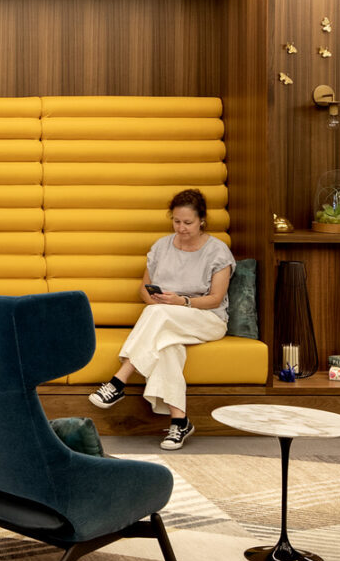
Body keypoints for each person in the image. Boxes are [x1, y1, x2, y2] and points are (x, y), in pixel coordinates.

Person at [87, 188, 232, 450]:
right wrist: (156, 300)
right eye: (176, 221)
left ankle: (119, 380)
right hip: (166, 317)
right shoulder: (161, 246)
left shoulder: (217, 251)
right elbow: (144, 288)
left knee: (158, 316)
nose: (181, 228)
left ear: (202, 221)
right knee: (166, 345)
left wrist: (182, 302)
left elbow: (215, 298)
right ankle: (180, 422)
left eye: (188, 223)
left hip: (206, 318)